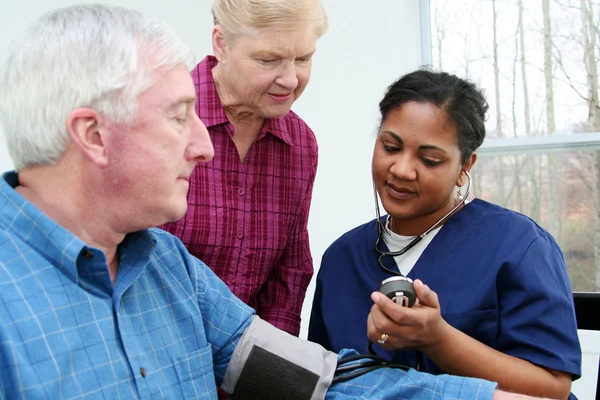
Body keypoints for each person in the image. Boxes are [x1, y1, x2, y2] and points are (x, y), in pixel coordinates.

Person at [0, 5, 558, 400]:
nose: (201, 145)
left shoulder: (169, 269)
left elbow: (310, 378)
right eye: (177, 117)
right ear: (93, 136)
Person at [308, 69, 582, 400]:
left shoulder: (519, 246)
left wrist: (438, 339)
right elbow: (322, 377)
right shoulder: (341, 258)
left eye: (430, 159)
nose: (402, 170)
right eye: (391, 147)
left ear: (466, 165)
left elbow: (553, 388)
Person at [159, 0, 326, 336]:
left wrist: (269, 374)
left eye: (303, 58)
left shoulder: (300, 144)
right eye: (268, 60)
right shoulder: (160, 119)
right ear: (222, 44)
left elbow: (289, 273)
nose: (291, 79)